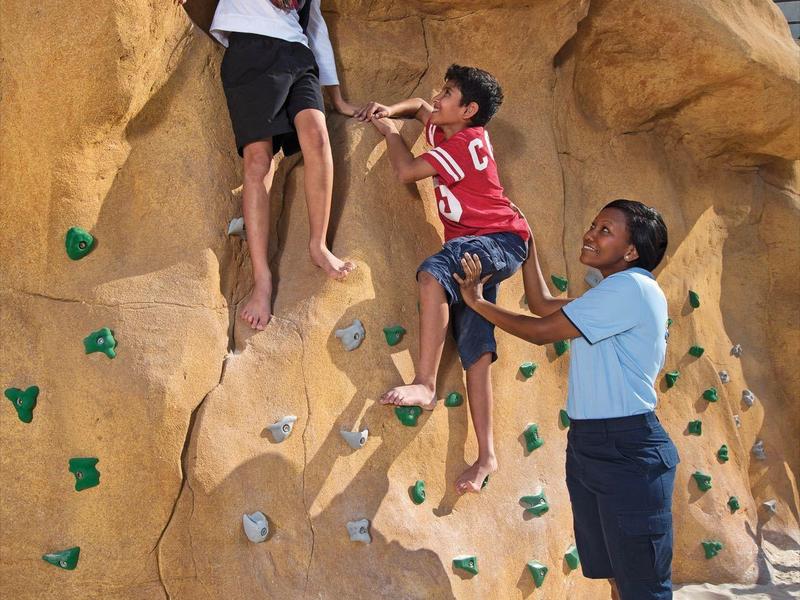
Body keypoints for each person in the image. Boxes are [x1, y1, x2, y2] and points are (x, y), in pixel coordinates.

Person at [454, 199, 678, 600]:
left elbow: (540, 330)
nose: (590, 234)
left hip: (628, 449)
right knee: (615, 575)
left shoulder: (632, 288)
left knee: (642, 586)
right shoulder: (611, 294)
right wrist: (529, 244)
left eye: (605, 230)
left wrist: (477, 302)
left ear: (632, 252)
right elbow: (541, 304)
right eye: (593, 225)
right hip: (590, 444)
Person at [365, 65, 530, 494]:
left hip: (496, 242)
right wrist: (392, 108)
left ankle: (424, 383)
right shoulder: (449, 129)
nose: (437, 98)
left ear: (469, 109)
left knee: (433, 273)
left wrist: (391, 133)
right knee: (475, 344)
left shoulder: (465, 142)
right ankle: (487, 455)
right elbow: (419, 107)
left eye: (449, 93)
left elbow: (407, 171)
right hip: (487, 249)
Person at [177, 0, 357, 330]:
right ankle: (262, 281)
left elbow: (315, 24)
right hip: (249, 48)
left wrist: (338, 98)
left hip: (298, 53)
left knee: (317, 139)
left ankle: (318, 245)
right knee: (259, 162)